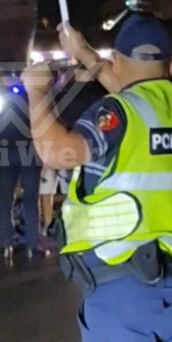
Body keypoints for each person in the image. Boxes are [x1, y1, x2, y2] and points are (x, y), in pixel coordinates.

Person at [23, 14, 172, 342]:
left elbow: (57, 151)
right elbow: (136, 94)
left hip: (122, 294)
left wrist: (36, 92)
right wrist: (84, 53)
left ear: (117, 60)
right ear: (171, 63)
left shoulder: (118, 112)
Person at [39, 66, 109, 236]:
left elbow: (52, 123)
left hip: (68, 150)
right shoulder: (103, 94)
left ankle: (67, 228)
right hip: (97, 152)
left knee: (68, 193)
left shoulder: (64, 95)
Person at [0, 72, 43, 257]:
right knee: (31, 199)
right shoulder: (33, 99)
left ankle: (5, 243)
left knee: (5, 200)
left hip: (5, 153)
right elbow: (41, 128)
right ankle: (33, 244)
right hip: (29, 153)